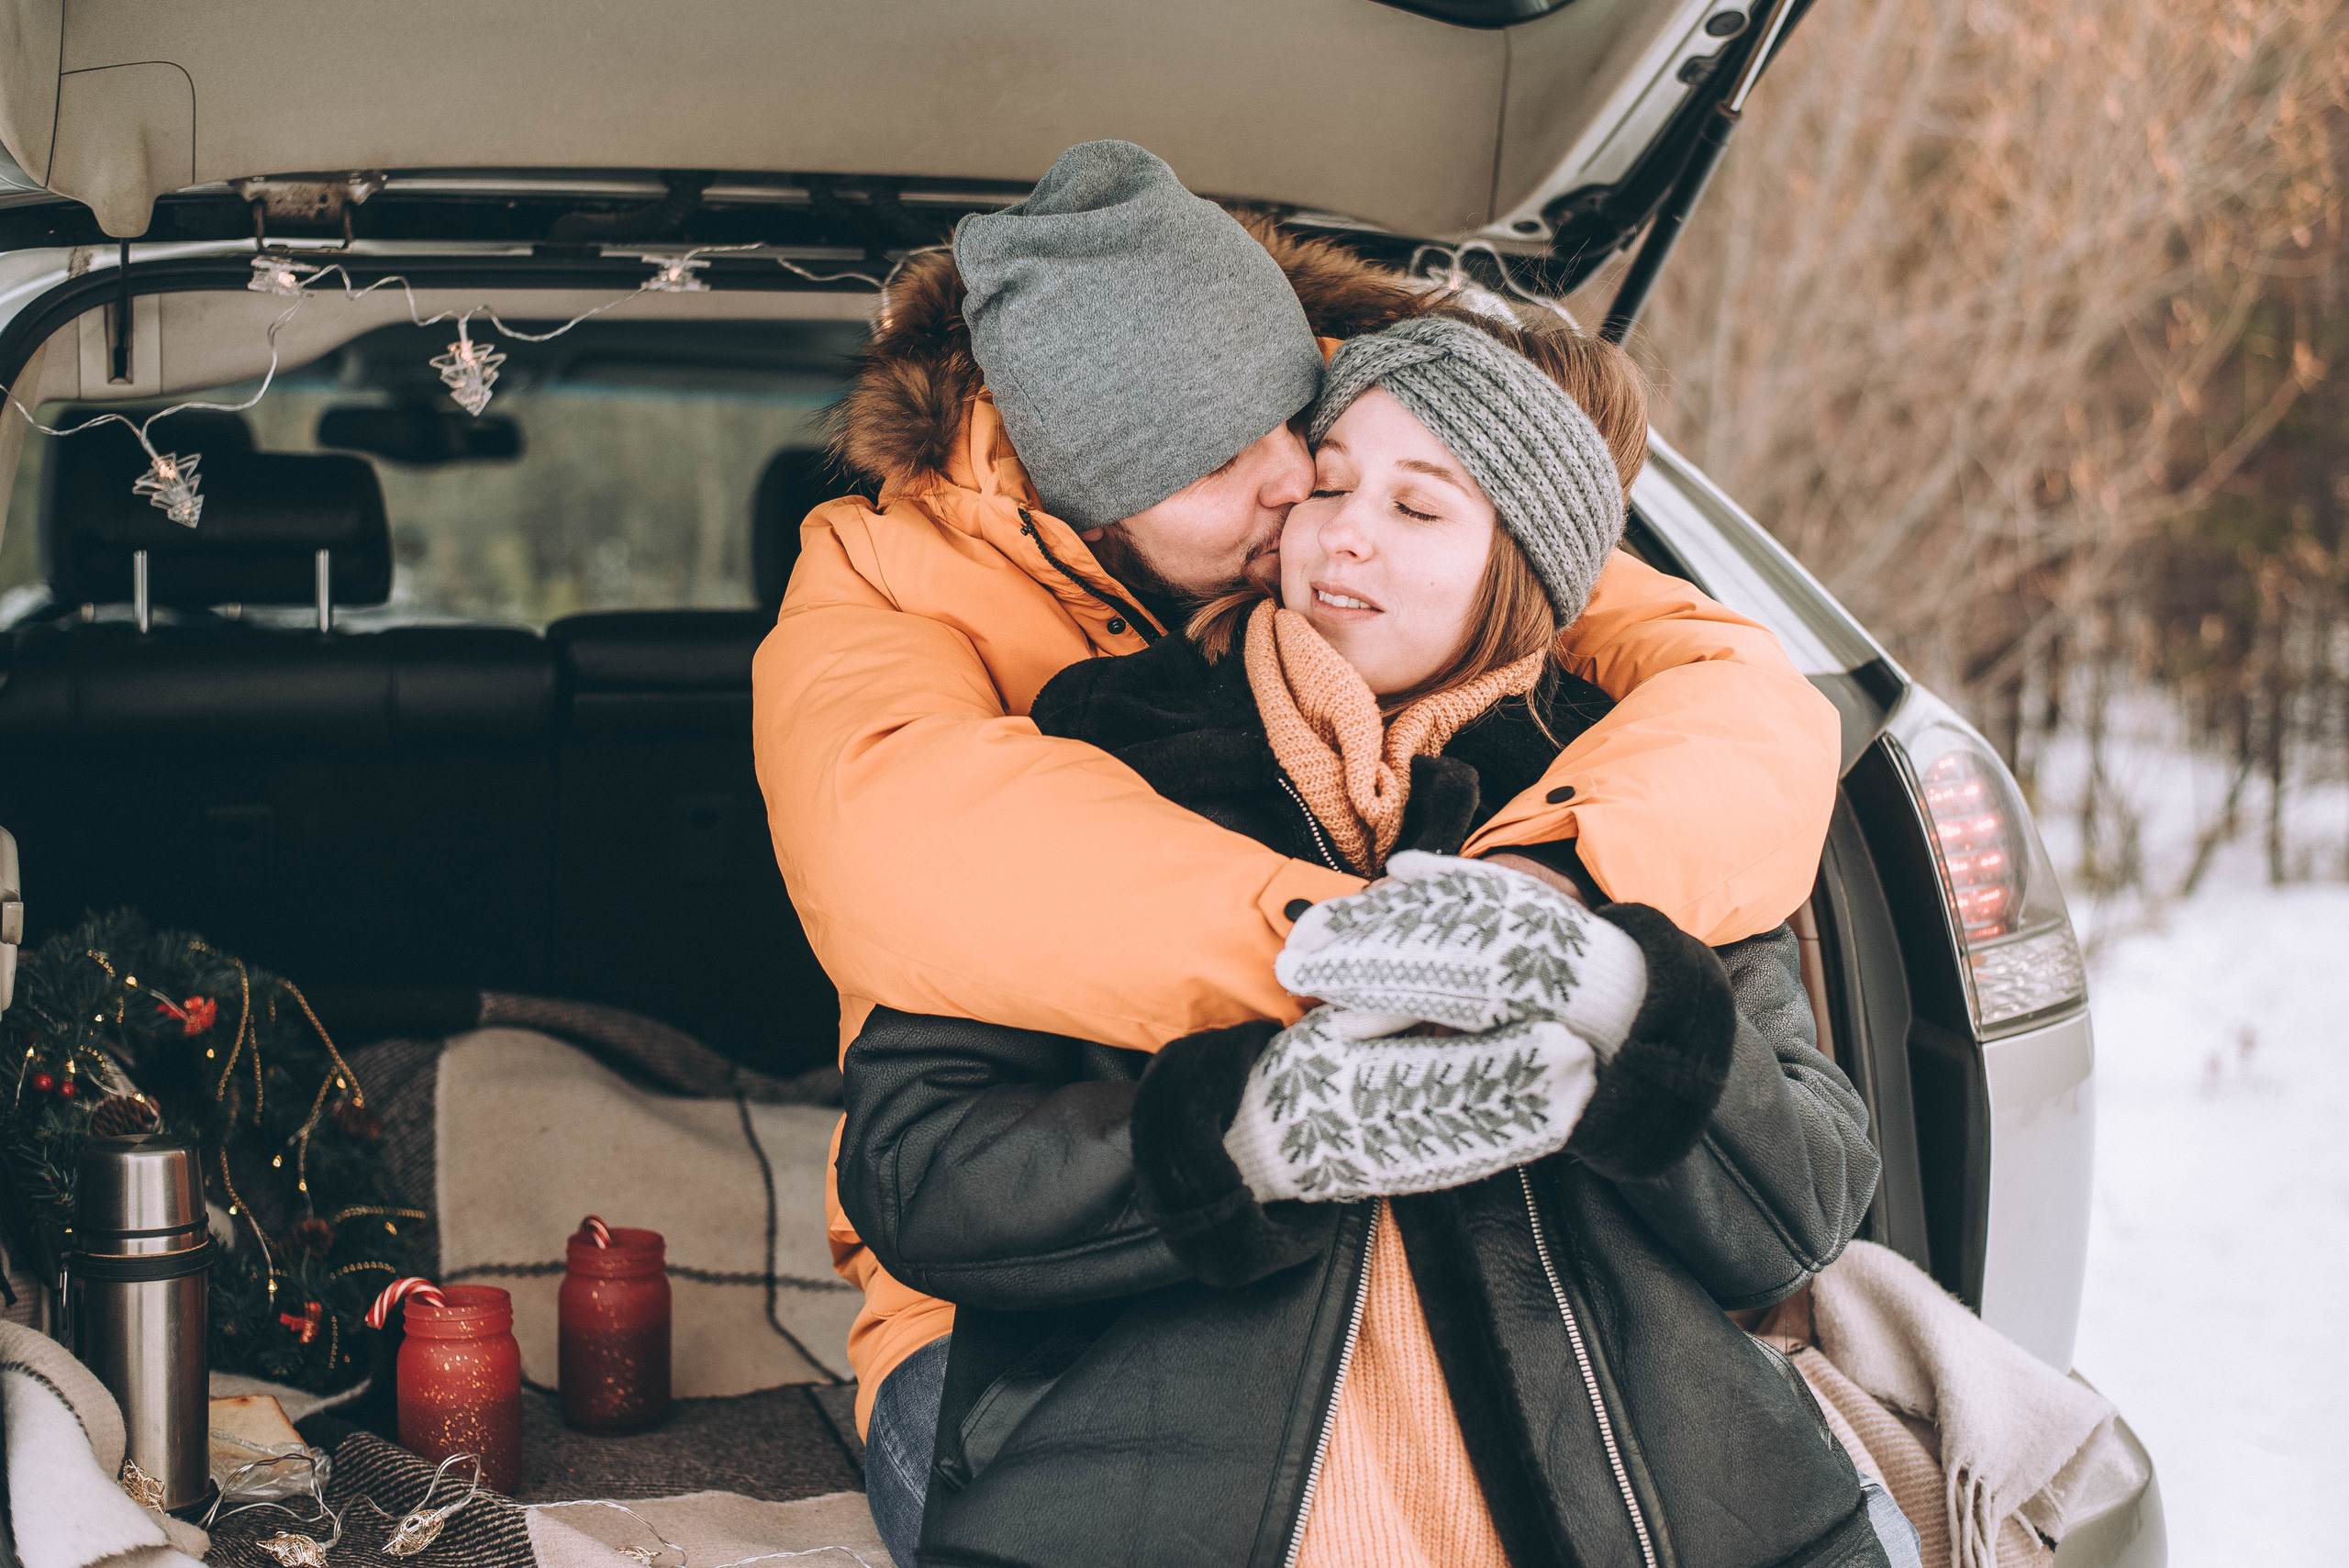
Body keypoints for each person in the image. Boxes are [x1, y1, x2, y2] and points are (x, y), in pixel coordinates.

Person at [751, 136, 1838, 1501]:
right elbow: (910, 847)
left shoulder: (1400, 541)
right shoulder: (934, 623)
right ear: (1093, 497)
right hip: (1021, 1301)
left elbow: (1726, 686)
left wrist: (1564, 894)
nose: (1301, 496)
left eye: (1298, 423)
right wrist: (1348, 960)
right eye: (1227, 462)